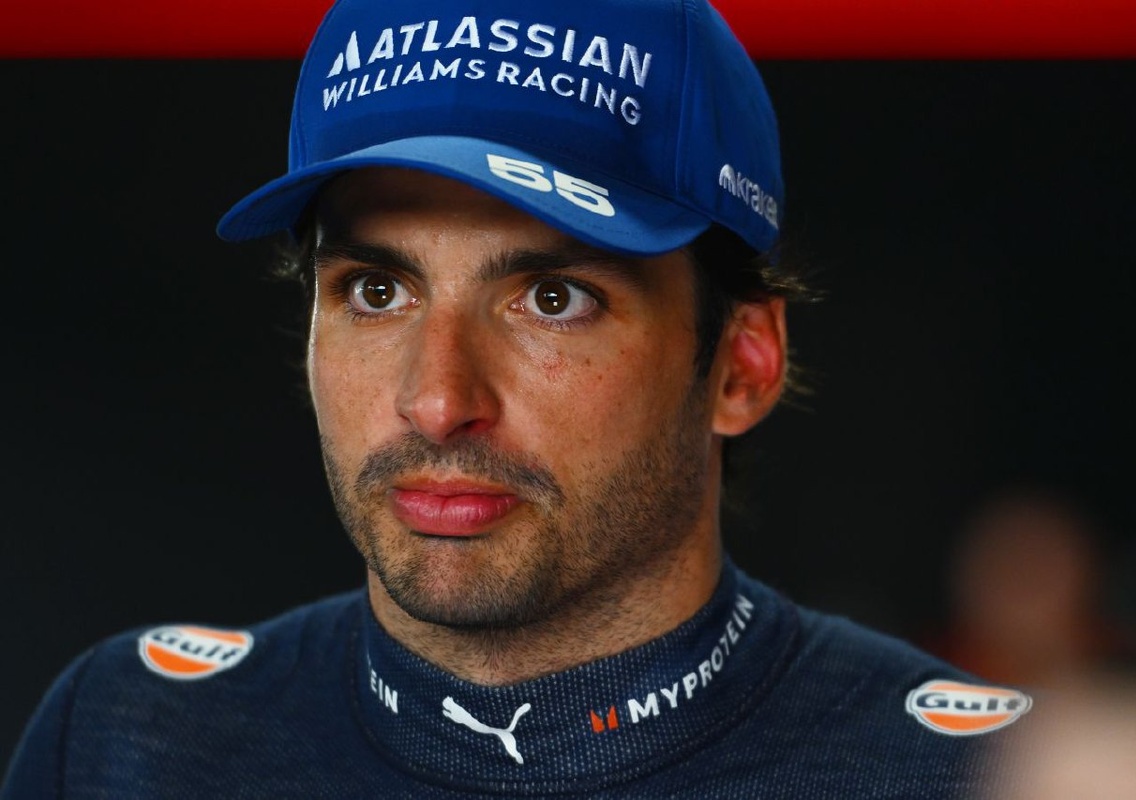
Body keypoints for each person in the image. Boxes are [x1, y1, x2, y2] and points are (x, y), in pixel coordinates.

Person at [2, 0, 1030, 796]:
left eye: (552, 298)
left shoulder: (983, 778)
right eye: (377, 290)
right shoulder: (129, 744)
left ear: (742, 365)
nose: (437, 400)